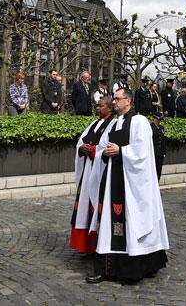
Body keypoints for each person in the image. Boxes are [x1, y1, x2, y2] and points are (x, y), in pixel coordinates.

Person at [87, 88, 169, 284]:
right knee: (109, 224)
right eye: (113, 99)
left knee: (132, 222)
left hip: (131, 184)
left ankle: (138, 268)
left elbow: (142, 152)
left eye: (117, 99)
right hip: (113, 180)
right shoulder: (114, 123)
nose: (114, 102)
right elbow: (101, 146)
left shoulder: (139, 121)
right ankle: (107, 269)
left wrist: (121, 151)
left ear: (128, 101)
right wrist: (104, 152)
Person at [70, 96, 115, 254]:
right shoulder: (94, 123)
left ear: (110, 107)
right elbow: (81, 141)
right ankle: (85, 245)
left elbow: (109, 146)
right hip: (88, 167)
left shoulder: (113, 124)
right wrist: (82, 148)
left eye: (100, 106)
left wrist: (95, 150)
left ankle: (98, 245)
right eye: (96, 106)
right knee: (84, 205)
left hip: (100, 170)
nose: (97, 108)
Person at [149, 113, 166, 180]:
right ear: (154, 119)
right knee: (153, 169)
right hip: (153, 152)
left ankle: (157, 183)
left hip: (160, 152)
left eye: (159, 120)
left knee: (159, 169)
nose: (159, 121)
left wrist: (164, 152)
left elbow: (163, 140)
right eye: (158, 120)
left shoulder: (162, 128)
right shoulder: (150, 127)